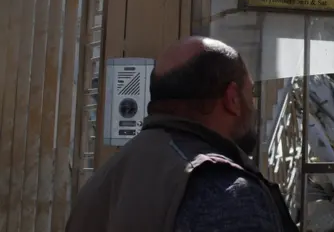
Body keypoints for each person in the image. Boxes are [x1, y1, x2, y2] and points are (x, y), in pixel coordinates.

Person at [66, 37, 298, 232]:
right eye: (251, 92)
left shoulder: (102, 182)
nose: (253, 104)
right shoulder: (227, 192)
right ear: (233, 98)